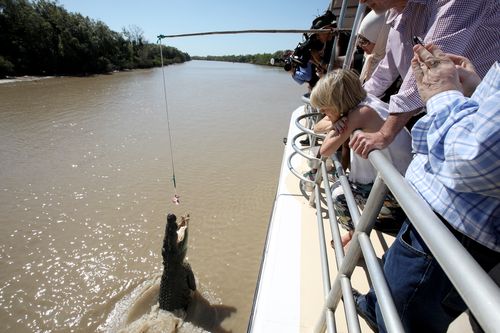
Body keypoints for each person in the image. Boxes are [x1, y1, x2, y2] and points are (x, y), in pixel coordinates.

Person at [355, 45, 500, 333]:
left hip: (456, 229)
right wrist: (475, 90)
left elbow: (472, 159)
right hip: (436, 215)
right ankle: (374, 307)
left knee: (403, 319)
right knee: (393, 291)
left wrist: (444, 94)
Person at [347, 0, 500, 158]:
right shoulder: (399, 17)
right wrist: (349, 104)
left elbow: (430, 67)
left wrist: (385, 133)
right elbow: (384, 74)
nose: (361, 1)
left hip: (485, 121)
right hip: (445, 116)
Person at [309, 69, 412, 247]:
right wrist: (333, 121)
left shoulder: (361, 114)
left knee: (338, 193)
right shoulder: (368, 102)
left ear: (338, 103)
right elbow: (318, 126)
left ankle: (357, 241)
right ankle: (355, 234)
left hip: (397, 194)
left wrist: (336, 126)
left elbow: (325, 150)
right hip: (401, 182)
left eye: (326, 108)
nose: (323, 112)